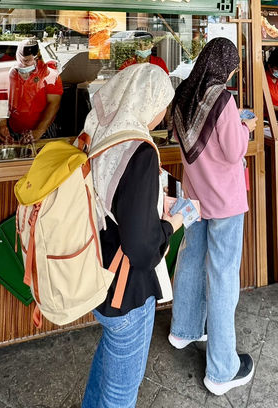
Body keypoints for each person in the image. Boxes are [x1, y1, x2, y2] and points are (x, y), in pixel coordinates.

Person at [81, 64, 183, 408]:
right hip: (126, 290)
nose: (163, 112)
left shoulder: (98, 129)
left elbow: (115, 199)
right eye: (163, 103)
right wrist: (171, 223)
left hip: (97, 266)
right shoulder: (138, 150)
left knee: (109, 361)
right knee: (122, 390)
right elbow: (141, 249)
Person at [169, 37, 257, 396]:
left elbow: (184, 140)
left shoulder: (184, 95)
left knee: (190, 257)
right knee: (222, 276)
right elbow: (234, 150)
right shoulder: (222, 98)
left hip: (195, 197)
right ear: (225, 66)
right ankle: (222, 370)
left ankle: (183, 330)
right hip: (224, 201)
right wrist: (245, 126)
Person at [0, 39, 63, 145]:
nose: (24, 66)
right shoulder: (9, 74)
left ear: (36, 58)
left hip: (43, 131)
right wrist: (2, 124)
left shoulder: (49, 74)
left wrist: (39, 131)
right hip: (14, 130)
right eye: (22, 61)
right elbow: (2, 100)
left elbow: (54, 104)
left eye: (27, 61)